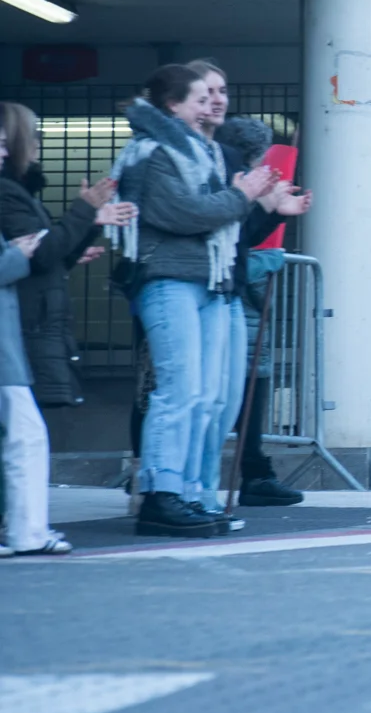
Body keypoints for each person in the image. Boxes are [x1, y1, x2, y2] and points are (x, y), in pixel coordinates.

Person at [108, 66, 279, 537]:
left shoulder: (202, 152)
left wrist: (243, 199)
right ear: (172, 105)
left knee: (205, 396)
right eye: (200, 99)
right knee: (179, 391)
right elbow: (185, 213)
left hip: (207, 279)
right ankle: (161, 494)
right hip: (168, 279)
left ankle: (186, 493)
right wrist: (242, 195)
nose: (211, 107)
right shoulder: (152, 152)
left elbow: (214, 214)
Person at [185, 60, 310, 514]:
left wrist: (273, 211)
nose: (216, 101)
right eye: (206, 93)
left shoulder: (225, 170)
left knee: (227, 392)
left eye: (221, 92)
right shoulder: (196, 166)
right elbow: (218, 233)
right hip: (210, 290)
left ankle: (201, 491)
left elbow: (240, 235)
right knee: (202, 393)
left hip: (229, 291)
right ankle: (180, 488)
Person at [0, 103, 126, 408]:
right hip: (32, 322)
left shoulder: (19, 192)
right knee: (25, 426)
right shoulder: (8, 192)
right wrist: (85, 210)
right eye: (34, 135)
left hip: (37, 318)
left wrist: (90, 223)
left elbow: (50, 258)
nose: (38, 143)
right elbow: (42, 256)